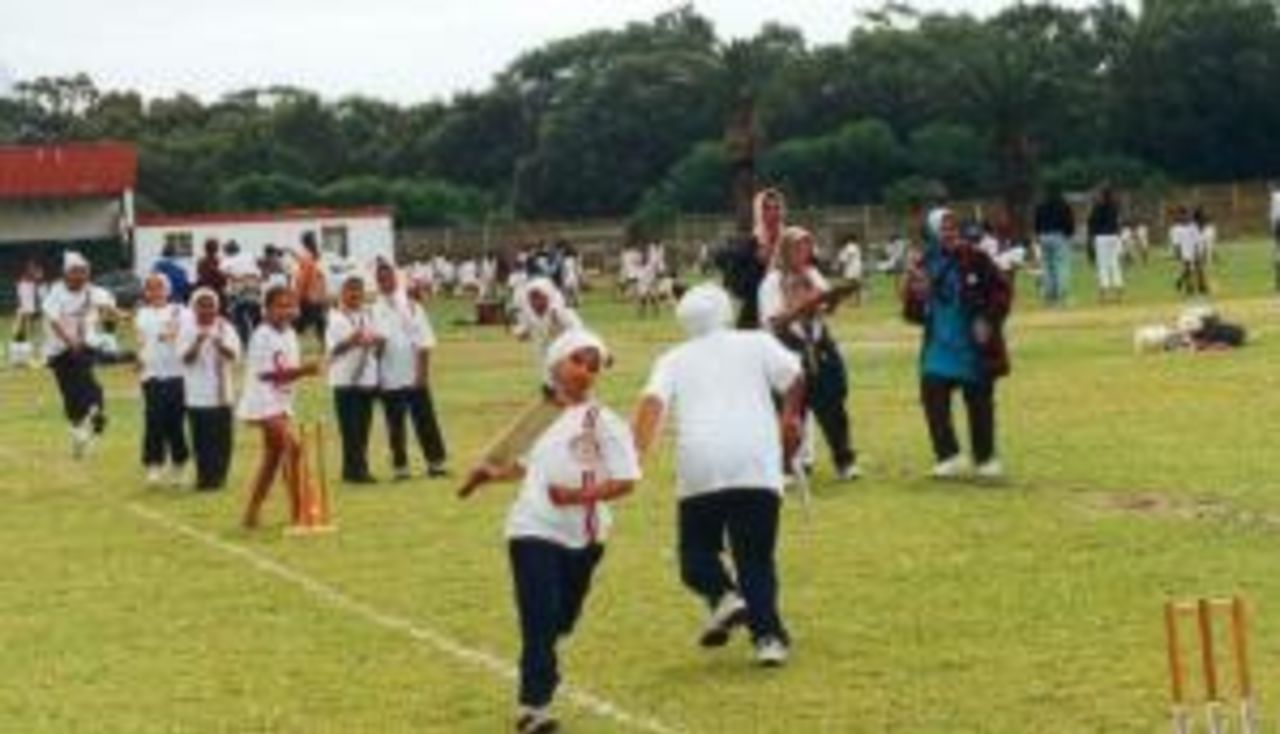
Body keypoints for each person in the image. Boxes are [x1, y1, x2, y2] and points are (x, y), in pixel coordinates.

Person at [458, 329, 639, 734]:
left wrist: (578, 496)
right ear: (556, 364)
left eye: (594, 365)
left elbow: (627, 481)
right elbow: (528, 468)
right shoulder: (538, 416)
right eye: (579, 360)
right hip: (531, 528)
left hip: (586, 536)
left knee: (561, 620)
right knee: (538, 619)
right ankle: (533, 707)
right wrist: (490, 475)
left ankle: (545, 660)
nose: (586, 371)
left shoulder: (604, 422)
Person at [632, 284, 805, 666]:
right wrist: (790, 415)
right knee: (755, 559)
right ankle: (769, 639)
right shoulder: (757, 342)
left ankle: (725, 597)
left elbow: (652, 403)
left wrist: (635, 454)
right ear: (726, 310)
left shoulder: (673, 358)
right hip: (756, 462)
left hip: (701, 467)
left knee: (695, 557)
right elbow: (794, 375)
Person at [902, 208, 1012, 480]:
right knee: (933, 396)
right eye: (943, 227)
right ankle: (948, 456)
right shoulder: (924, 262)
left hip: (973, 346)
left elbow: (1002, 291)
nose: (950, 232)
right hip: (939, 343)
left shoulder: (976, 257)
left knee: (979, 402)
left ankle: (985, 459)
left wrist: (988, 319)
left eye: (953, 227)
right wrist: (916, 295)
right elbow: (912, 312)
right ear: (932, 232)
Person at [759, 227, 860, 481]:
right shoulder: (772, 282)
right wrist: (806, 305)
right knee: (792, 409)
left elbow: (825, 308)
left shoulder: (813, 274)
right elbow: (774, 323)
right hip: (788, 349)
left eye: (807, 246)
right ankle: (790, 465)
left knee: (832, 405)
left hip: (818, 345)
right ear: (784, 250)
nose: (803, 252)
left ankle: (844, 461)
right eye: (797, 247)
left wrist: (836, 297)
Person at [237, 286, 320, 529]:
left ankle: (251, 512)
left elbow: (287, 374)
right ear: (267, 309)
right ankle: (298, 511)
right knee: (292, 449)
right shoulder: (262, 334)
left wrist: (300, 373)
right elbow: (266, 375)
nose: (286, 311)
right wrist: (304, 370)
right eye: (280, 306)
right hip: (261, 401)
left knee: (273, 457)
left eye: (290, 305)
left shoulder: (291, 334)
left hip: (280, 400)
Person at [373, 261, 449, 480]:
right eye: (381, 279)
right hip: (388, 376)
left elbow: (424, 342)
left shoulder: (412, 305)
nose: (385, 282)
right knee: (394, 425)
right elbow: (374, 350)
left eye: (388, 277)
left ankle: (435, 463)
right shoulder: (373, 310)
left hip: (414, 373)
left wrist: (422, 374)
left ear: (396, 278)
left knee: (425, 419)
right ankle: (400, 466)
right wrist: (376, 371)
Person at [43, 252, 114, 458]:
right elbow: (54, 322)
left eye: (84, 272)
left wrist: (119, 313)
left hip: (83, 346)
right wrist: (69, 340)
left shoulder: (91, 291)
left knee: (89, 383)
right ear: (66, 274)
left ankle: (96, 414)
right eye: (76, 272)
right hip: (59, 350)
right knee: (70, 394)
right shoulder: (55, 293)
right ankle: (78, 432)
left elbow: (108, 305)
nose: (81, 276)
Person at [178, 288, 241, 491]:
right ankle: (205, 479)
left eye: (210, 305)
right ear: (194, 308)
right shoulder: (186, 329)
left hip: (222, 393)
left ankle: (220, 477)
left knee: (223, 439)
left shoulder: (225, 327)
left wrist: (219, 344)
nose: (206, 310)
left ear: (217, 307)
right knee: (202, 440)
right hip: (197, 395)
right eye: (201, 305)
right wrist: (198, 341)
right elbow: (185, 359)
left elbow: (235, 356)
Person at [134, 274, 191, 486]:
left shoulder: (181, 311)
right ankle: (153, 464)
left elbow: (182, 334)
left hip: (177, 374)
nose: (155, 292)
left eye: (159, 288)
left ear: (168, 290)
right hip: (151, 375)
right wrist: (139, 359)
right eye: (150, 288)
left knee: (175, 422)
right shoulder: (142, 314)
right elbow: (141, 340)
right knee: (153, 420)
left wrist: (173, 332)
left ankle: (180, 464)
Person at [326, 274, 382, 484]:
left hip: (366, 377)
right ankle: (356, 470)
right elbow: (333, 350)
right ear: (342, 293)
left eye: (358, 290)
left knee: (364, 426)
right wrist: (353, 340)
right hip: (345, 380)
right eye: (350, 290)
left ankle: (355, 469)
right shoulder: (335, 317)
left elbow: (375, 340)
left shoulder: (366, 315)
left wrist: (375, 341)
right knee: (350, 428)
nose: (355, 294)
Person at [717, 189, 786, 329]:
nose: (773, 213)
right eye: (767, 208)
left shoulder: (791, 240)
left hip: (786, 308)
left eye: (777, 207)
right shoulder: (750, 243)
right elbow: (734, 279)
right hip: (755, 312)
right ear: (759, 213)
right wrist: (757, 262)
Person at [512, 278, 584, 390]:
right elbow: (525, 328)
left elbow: (579, 330)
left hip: (565, 350)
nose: (535, 302)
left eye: (539, 297)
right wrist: (520, 333)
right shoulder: (529, 313)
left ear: (548, 296)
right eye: (532, 298)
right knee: (548, 379)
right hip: (543, 351)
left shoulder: (561, 313)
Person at [1034, 187, 1075, 306]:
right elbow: (1069, 222)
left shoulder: (1041, 205)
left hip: (1043, 236)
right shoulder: (1063, 205)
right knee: (1061, 266)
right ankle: (1062, 296)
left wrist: (1038, 235)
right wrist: (1069, 234)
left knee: (1047, 267)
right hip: (1059, 236)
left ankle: (1049, 297)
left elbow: (1037, 222)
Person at [221, 241, 263, 345]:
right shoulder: (249, 255)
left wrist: (237, 278)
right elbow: (259, 264)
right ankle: (260, 339)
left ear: (227, 251)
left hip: (239, 290)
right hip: (254, 287)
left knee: (239, 317)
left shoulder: (226, 261)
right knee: (256, 316)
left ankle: (245, 342)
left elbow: (224, 274)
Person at [1087, 187, 1125, 303]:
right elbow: (1119, 223)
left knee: (1103, 266)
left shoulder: (1097, 208)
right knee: (1114, 264)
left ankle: (1103, 295)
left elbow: (1091, 224)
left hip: (1101, 237)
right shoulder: (1115, 208)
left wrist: (1091, 239)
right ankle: (1118, 293)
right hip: (1114, 237)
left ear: (1102, 196)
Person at [293, 232, 328, 343]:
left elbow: (303, 280)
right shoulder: (316, 257)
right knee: (318, 324)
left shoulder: (308, 258)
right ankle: (322, 344)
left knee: (301, 324)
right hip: (317, 297)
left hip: (309, 297)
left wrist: (297, 298)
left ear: (304, 243)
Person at [1170, 206, 1207, 296]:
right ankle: (1189, 287)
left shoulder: (1193, 227)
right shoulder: (1176, 229)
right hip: (1184, 251)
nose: (1185, 217)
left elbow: (1196, 240)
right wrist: (1177, 254)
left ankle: (1201, 286)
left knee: (1199, 268)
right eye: (1182, 215)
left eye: (1186, 214)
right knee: (1187, 271)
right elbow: (1176, 243)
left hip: (1193, 250)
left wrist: (1197, 251)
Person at [835, 234, 865, 305]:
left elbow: (849, 256)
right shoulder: (849, 247)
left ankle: (856, 300)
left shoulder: (851, 246)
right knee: (852, 283)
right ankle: (856, 300)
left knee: (851, 283)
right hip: (852, 266)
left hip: (852, 267)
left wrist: (841, 265)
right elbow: (843, 258)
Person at [195, 238, 226, 302]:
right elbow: (222, 279)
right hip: (213, 289)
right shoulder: (218, 261)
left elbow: (199, 275)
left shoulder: (201, 261)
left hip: (205, 289)